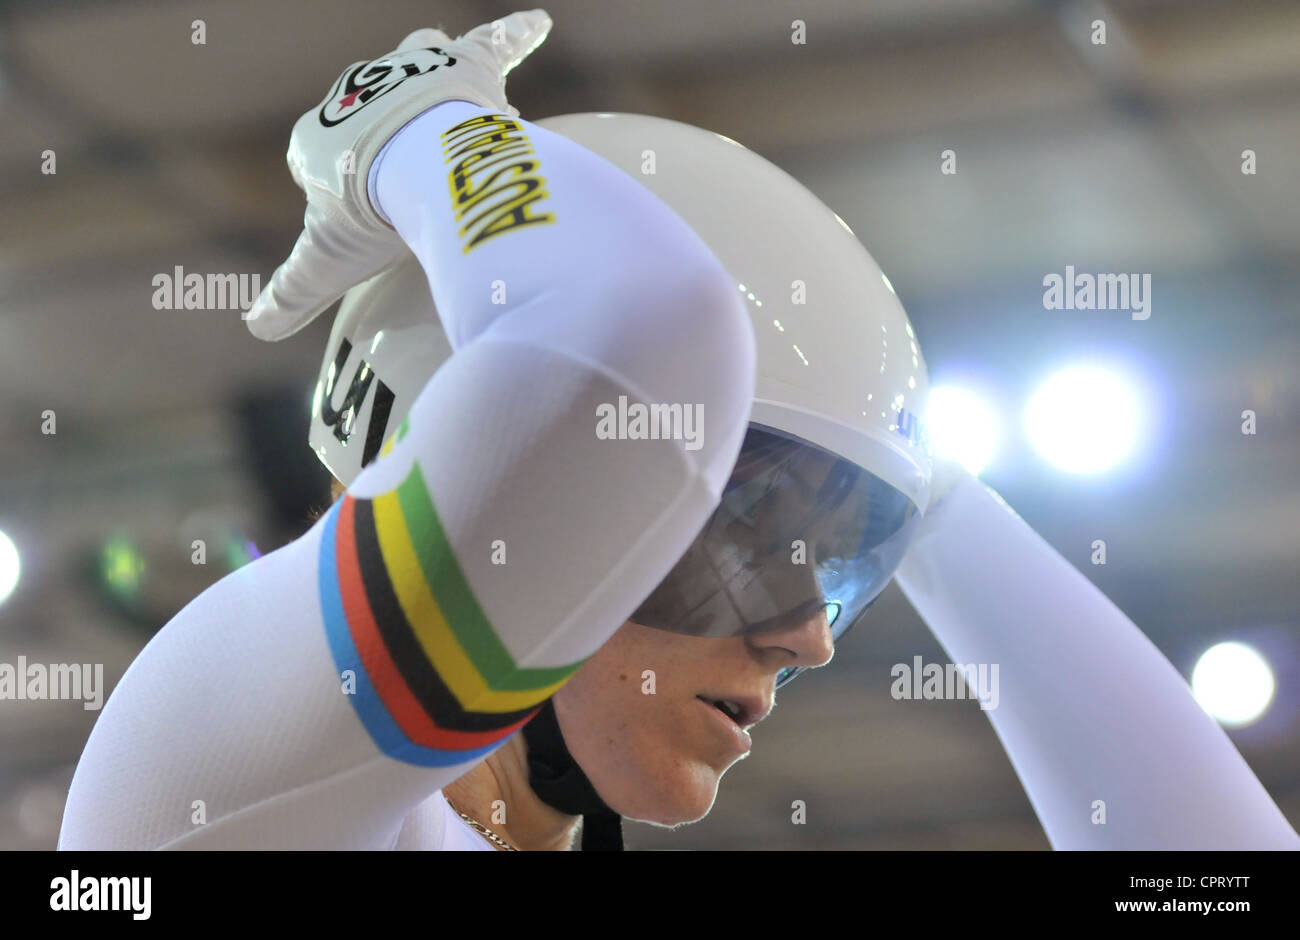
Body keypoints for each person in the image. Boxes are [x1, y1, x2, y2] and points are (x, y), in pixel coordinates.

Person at [59, 12, 1299, 851]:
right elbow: (632, 338)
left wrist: (920, 478)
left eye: (842, 555)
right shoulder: (210, 758)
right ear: (463, 438)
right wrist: (415, 133)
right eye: (749, 530)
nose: (809, 633)